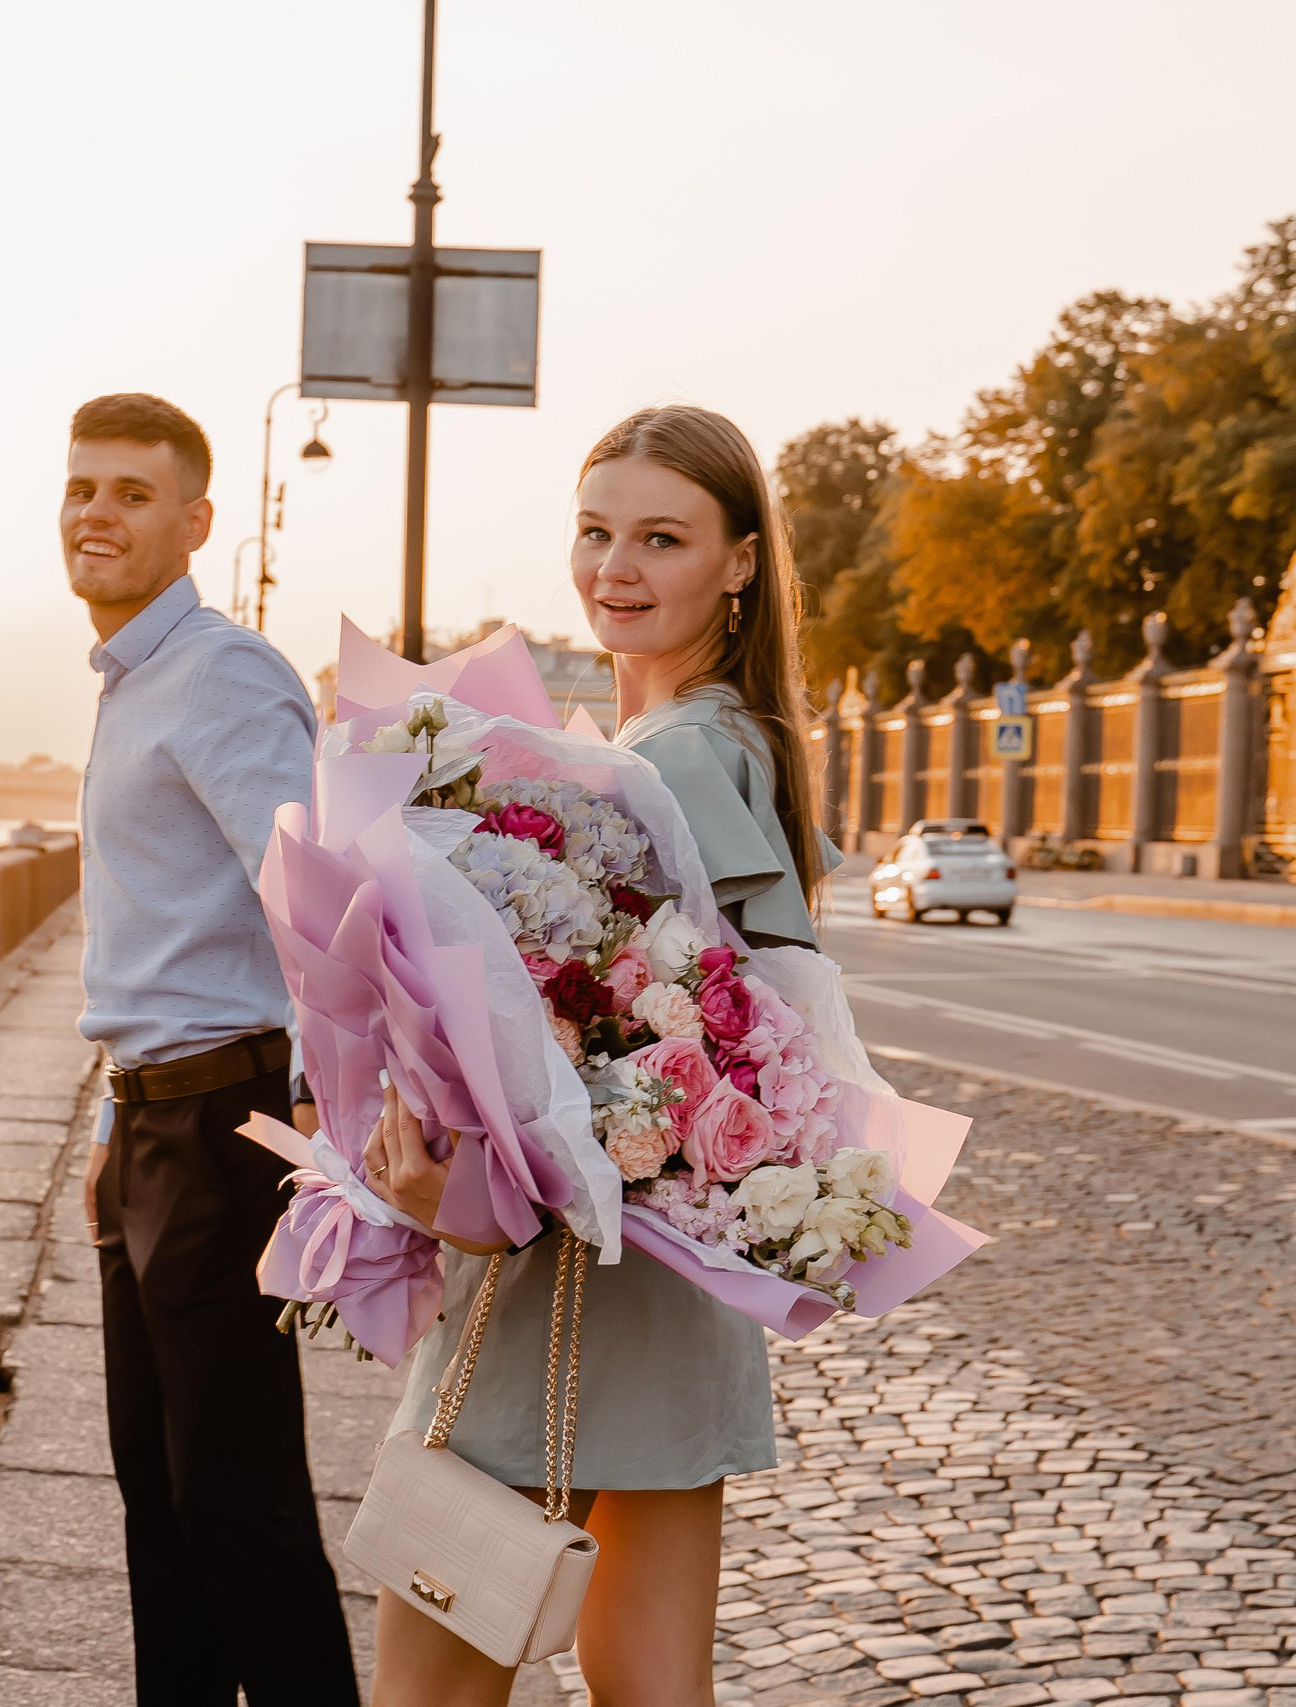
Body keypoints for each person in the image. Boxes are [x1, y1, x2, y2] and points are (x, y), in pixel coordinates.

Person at [361, 404, 838, 1706]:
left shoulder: (669, 761)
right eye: (595, 531)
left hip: (568, 1286)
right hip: (675, 1303)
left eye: (662, 538)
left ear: (739, 562)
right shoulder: (731, 741)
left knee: (428, 1694)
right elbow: (733, 1050)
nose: (615, 568)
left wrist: (455, 1193)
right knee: (654, 1694)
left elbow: (644, 1068)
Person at [63, 392, 357, 1705]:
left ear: (195, 522)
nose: (96, 515)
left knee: (238, 1513)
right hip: (150, 1130)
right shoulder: (130, 681)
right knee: (161, 1505)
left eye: (131, 494)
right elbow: (159, 938)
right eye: (81, 489)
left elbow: (321, 906)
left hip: (221, 1134)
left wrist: (329, 1135)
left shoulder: (220, 672)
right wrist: (109, 1122)